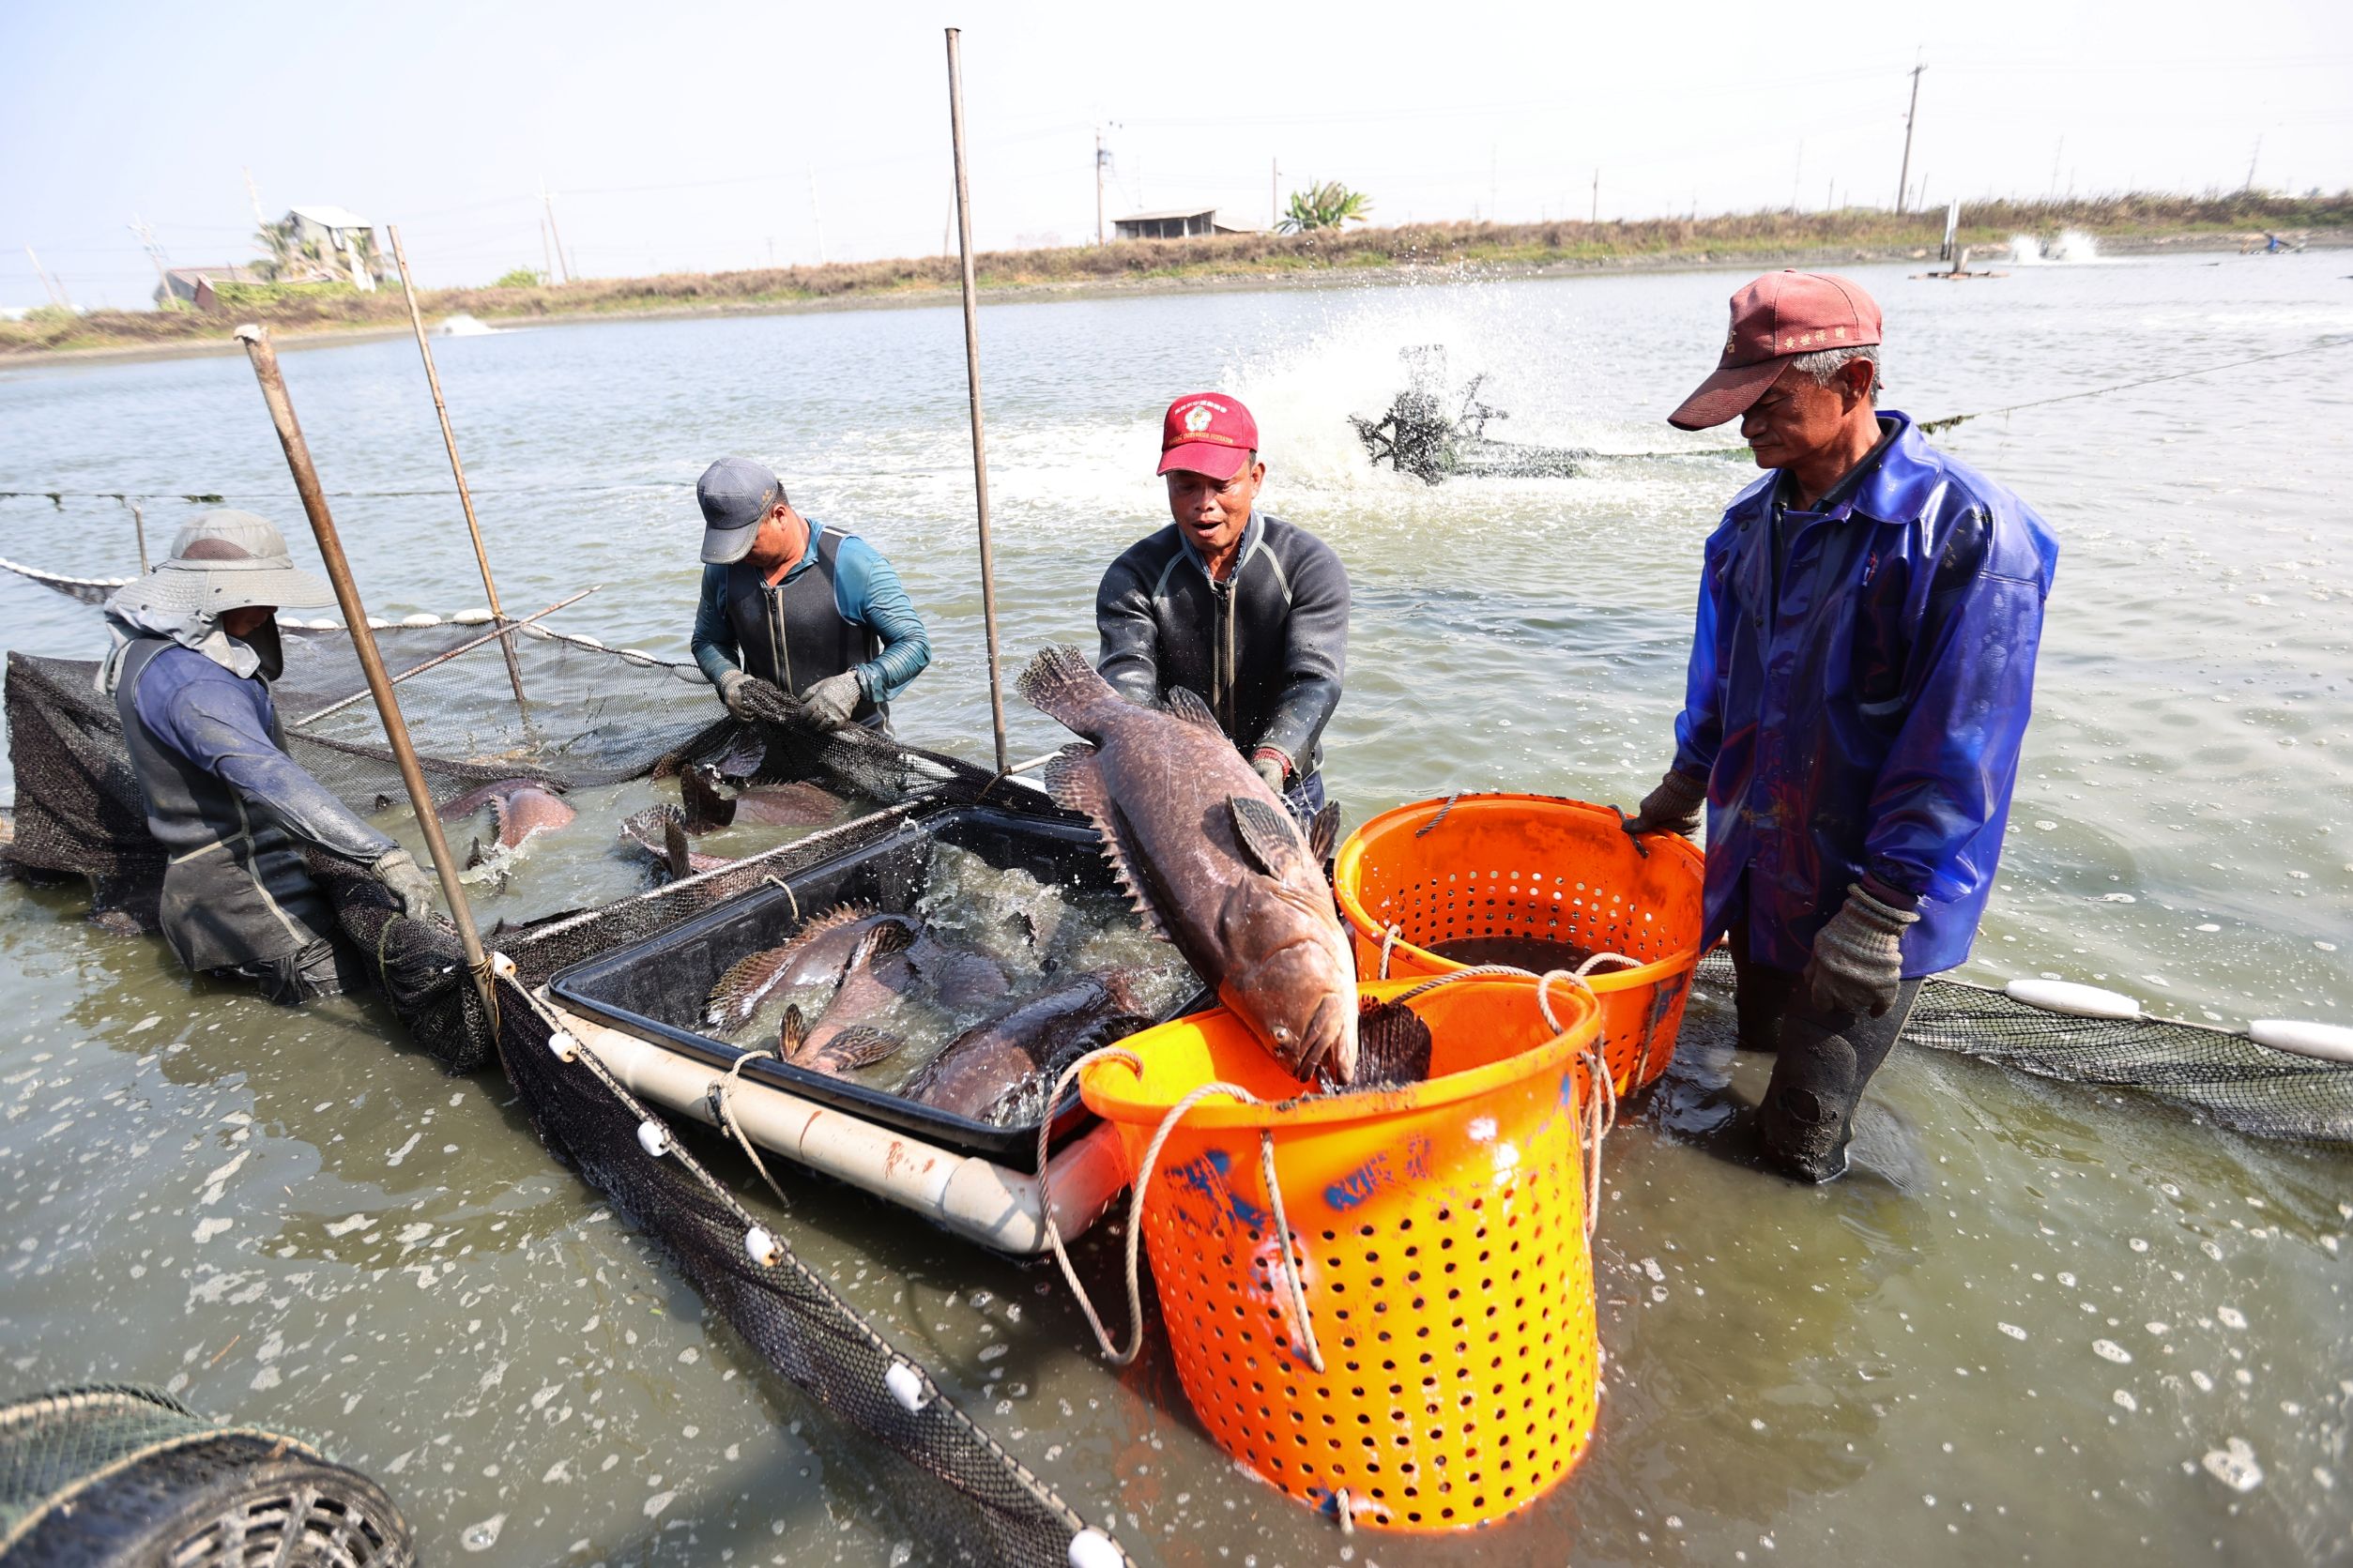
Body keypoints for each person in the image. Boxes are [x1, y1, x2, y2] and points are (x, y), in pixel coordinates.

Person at [1622, 270, 2059, 1182]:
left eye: (1767, 402)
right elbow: (1720, 681)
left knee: (1797, 1143)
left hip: (1876, 891)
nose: (1745, 427)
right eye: (1738, 404)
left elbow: (1961, 748)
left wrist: (1878, 910)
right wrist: (1684, 781)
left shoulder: (1969, 534)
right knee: (1751, 1048)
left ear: (1853, 382)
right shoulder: (1747, 529)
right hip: (1758, 865)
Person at [99, 511, 440, 1005]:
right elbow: (266, 777)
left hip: (212, 897)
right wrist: (383, 855)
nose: (270, 608)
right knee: (374, 995)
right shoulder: (195, 685)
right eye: (253, 596)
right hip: (251, 901)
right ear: (209, 599)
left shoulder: (150, 651)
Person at [1095, 393, 1349, 819]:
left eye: (1221, 484)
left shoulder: (1307, 565)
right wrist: (1153, 760)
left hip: (1284, 781)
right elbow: (1128, 678)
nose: (1204, 502)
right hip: (1176, 782)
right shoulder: (1133, 575)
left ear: (1255, 478)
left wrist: (1275, 754)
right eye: (1186, 484)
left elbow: (1315, 678)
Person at [689, 457, 930, 732]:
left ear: (779, 516)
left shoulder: (853, 562)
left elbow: (914, 644)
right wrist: (728, 678)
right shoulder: (724, 569)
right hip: (767, 736)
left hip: (856, 737)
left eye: (746, 542)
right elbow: (708, 640)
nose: (738, 554)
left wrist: (855, 684)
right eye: (729, 543)